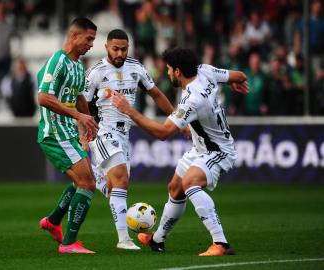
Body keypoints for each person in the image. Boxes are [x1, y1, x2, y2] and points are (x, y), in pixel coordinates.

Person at [112, 47, 248, 256]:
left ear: (177, 72)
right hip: (200, 147)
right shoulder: (205, 70)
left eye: (168, 69)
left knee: (190, 183)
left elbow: (163, 132)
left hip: (218, 151)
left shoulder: (192, 99)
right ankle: (157, 240)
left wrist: (129, 110)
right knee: (175, 188)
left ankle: (220, 243)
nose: (166, 73)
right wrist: (236, 81)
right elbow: (240, 75)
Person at [83, 29, 175, 250]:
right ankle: (124, 240)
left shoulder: (136, 67)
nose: (120, 53)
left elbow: (157, 95)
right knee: (122, 178)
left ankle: (97, 178)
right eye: (116, 49)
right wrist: (83, 135)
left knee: (117, 187)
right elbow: (82, 105)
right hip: (103, 132)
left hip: (124, 135)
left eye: (124, 49)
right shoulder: (96, 72)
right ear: (106, 47)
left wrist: (177, 119)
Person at [37, 17, 99, 254]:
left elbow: (80, 97)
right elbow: (43, 97)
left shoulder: (77, 66)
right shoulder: (58, 61)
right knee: (87, 183)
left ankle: (53, 222)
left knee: (83, 180)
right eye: (89, 38)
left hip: (69, 132)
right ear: (74, 36)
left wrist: (87, 126)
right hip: (54, 132)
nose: (91, 44)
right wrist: (78, 116)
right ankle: (69, 243)